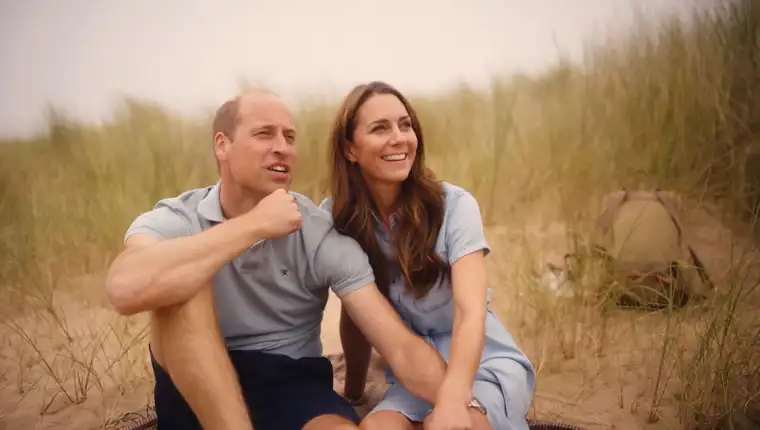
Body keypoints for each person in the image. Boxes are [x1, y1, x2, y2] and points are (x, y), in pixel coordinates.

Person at [104, 90, 467, 430]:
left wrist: (464, 404)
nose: (282, 148)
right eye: (265, 134)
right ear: (223, 145)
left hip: (292, 384)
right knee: (181, 283)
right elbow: (124, 288)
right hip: (195, 386)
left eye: (289, 138)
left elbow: (398, 346)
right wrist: (253, 227)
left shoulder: (317, 232)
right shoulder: (180, 217)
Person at [319, 81, 536, 430]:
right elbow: (356, 312)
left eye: (405, 125)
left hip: (481, 364)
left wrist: (452, 401)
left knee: (445, 426)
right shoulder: (338, 218)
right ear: (350, 149)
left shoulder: (454, 205)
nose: (399, 138)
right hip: (412, 376)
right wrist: (355, 390)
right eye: (380, 128)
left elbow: (470, 312)